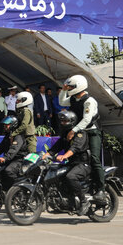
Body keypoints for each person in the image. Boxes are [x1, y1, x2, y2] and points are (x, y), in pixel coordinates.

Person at [59, 74, 105, 202]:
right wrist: (63, 90)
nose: (69, 88)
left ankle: (101, 189)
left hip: (92, 132)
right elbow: (62, 101)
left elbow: (87, 120)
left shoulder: (89, 100)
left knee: (95, 158)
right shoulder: (74, 99)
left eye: (71, 87)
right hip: (80, 132)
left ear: (79, 87)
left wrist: (73, 130)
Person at [42, 111, 91, 215]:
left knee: (71, 177)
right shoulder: (65, 134)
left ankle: (84, 201)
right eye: (62, 121)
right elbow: (57, 146)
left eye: (65, 121)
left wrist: (64, 156)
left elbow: (76, 147)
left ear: (72, 122)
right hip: (72, 164)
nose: (63, 123)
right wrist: (46, 154)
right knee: (58, 177)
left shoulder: (80, 133)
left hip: (83, 163)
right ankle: (67, 204)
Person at [0, 115, 29, 192]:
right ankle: (2, 192)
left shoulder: (18, 136)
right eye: (4, 125)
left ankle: (16, 191)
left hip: (19, 160)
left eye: (6, 125)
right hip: (10, 159)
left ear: (13, 125)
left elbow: (14, 150)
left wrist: (4, 158)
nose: (4, 126)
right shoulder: (8, 136)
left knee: (9, 170)